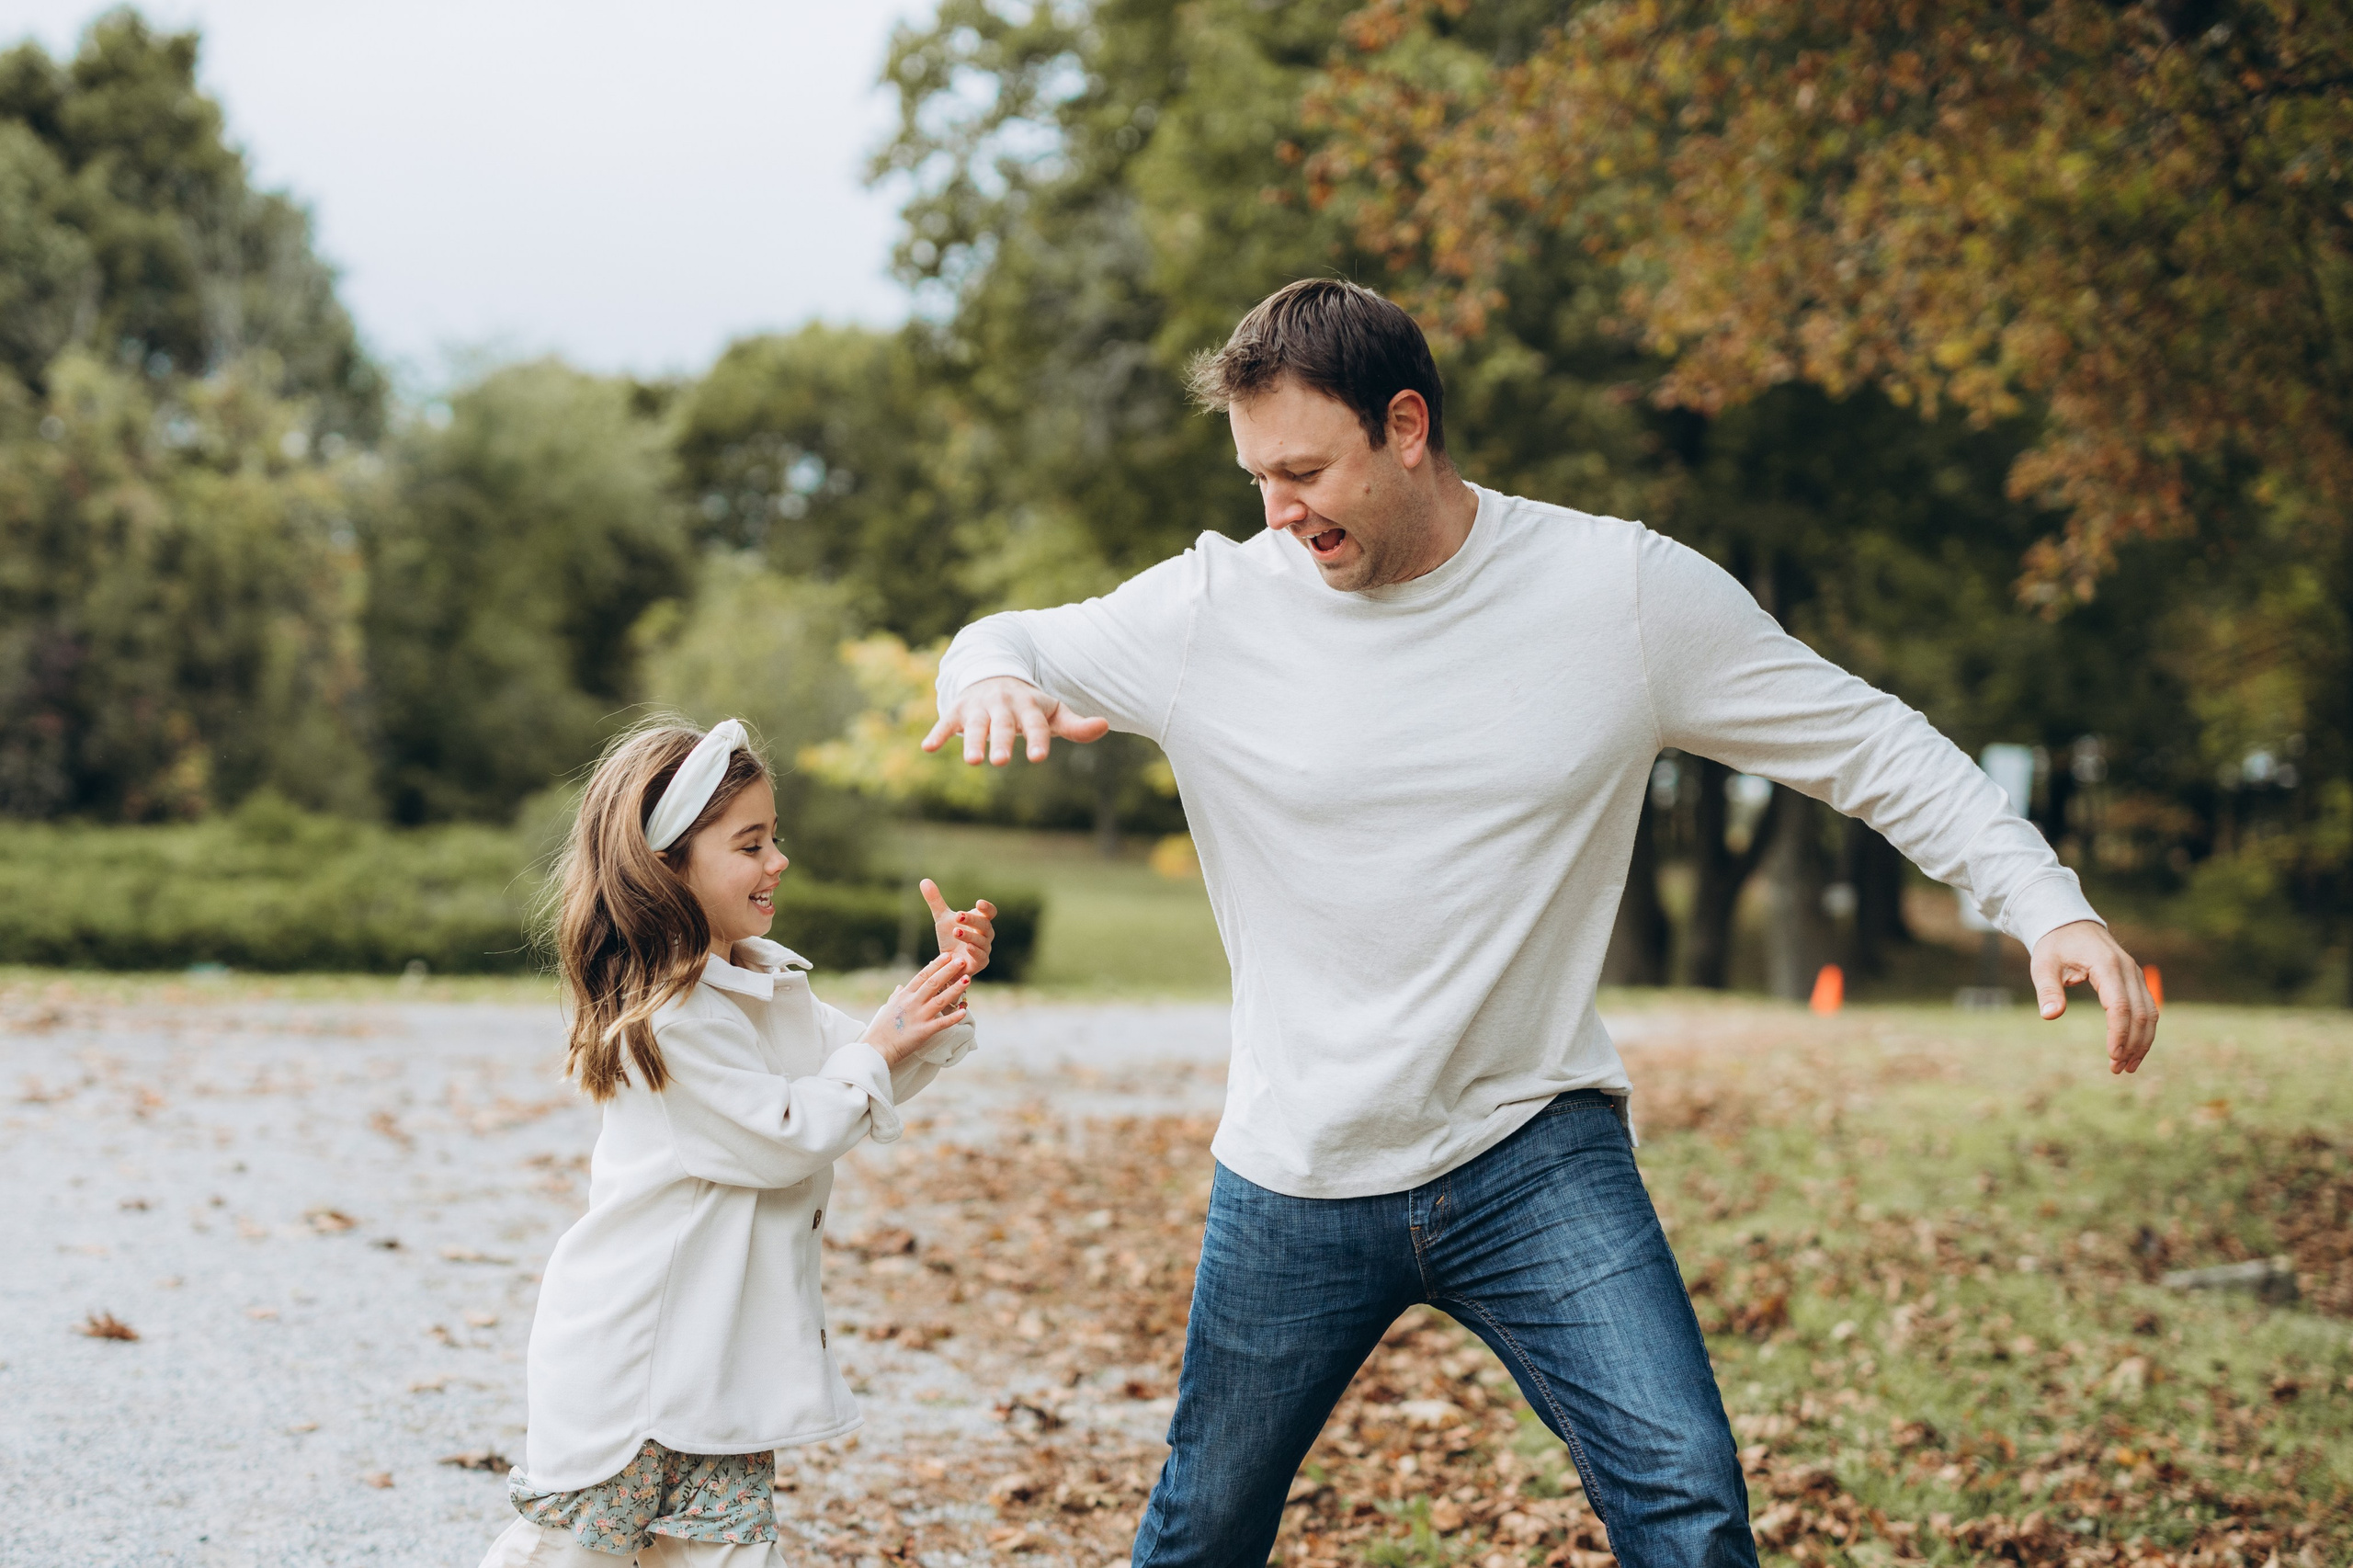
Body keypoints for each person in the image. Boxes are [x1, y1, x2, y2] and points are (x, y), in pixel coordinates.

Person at [923, 278, 2160, 1568]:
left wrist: (2045, 903)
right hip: (1298, 1162)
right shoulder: (1212, 609)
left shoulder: (1616, 593)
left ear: (1406, 426)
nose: (1279, 514)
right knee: (1202, 1525)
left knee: (1688, 1498)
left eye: (1304, 471)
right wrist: (994, 674)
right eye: (1256, 482)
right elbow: (1000, 636)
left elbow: (1863, 740)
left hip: (1531, 1148)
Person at [479, 718, 997, 1568]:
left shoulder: (758, 982)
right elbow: (790, 1132)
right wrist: (881, 1045)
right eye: (749, 844)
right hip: (638, 1358)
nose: (777, 861)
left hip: (716, 1357)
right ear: (666, 866)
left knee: (715, 1554)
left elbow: (855, 1073)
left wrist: (932, 998)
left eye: (775, 839)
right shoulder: (673, 1017)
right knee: (576, 1552)